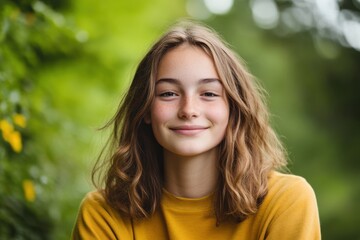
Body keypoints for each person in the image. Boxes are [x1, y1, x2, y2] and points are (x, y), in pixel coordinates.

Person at [71, 20, 321, 239]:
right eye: (168, 93)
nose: (188, 109)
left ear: (232, 108)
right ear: (145, 109)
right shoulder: (102, 214)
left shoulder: (286, 202)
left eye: (209, 94)